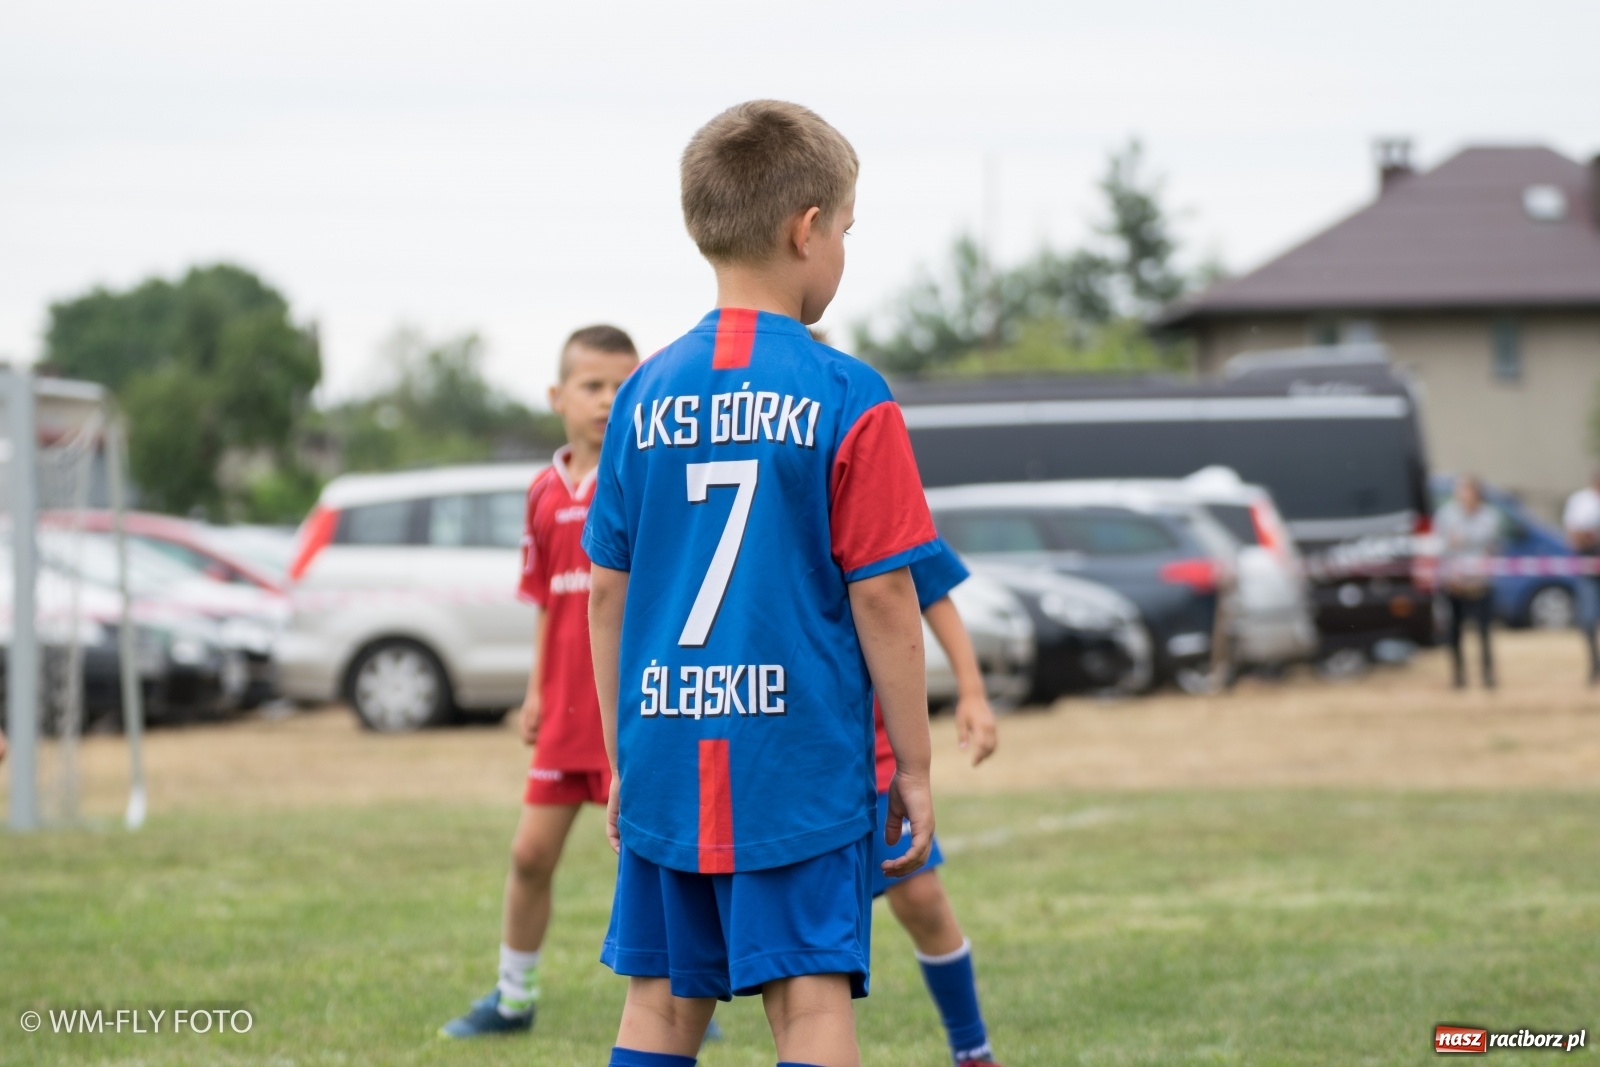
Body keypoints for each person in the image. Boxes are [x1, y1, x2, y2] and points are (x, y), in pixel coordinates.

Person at [583, 100, 939, 1067]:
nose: (844, 253)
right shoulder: (846, 394)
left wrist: (624, 755)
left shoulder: (643, 394)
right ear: (806, 228)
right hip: (795, 760)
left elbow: (605, 595)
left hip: (663, 741)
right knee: (810, 1005)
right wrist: (912, 761)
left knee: (656, 1007)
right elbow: (883, 597)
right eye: (849, 231)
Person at [437, 325, 639, 1038]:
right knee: (528, 855)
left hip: (630, 713)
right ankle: (513, 997)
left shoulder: (644, 474)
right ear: (558, 396)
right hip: (564, 715)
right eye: (593, 385)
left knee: (651, 868)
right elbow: (551, 605)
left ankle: (683, 999)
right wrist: (535, 689)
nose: (609, 400)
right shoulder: (541, 493)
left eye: (623, 384)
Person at [1433, 475, 1502, 689]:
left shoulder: (1490, 516)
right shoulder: (1446, 515)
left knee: (1484, 632)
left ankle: (1488, 676)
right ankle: (1458, 676)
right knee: (1454, 632)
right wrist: (1450, 578)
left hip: (1481, 583)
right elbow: (1441, 548)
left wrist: (1481, 577)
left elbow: (1492, 548)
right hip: (1454, 583)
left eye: (1467, 491)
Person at [1562, 469, 1600, 684]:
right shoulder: (1581, 501)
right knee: (1588, 619)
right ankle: (1595, 666)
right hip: (1587, 564)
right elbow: (1573, 535)